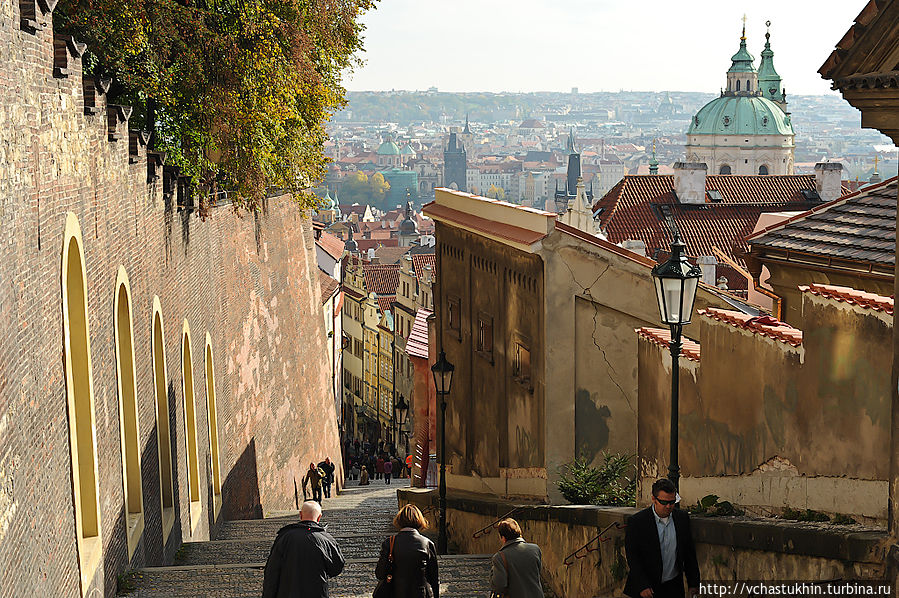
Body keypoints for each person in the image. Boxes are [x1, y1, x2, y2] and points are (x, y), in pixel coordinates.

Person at [624, 478, 700, 598]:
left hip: (673, 586)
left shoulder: (681, 518)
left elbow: (689, 552)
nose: (669, 506)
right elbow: (633, 556)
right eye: (664, 502)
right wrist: (642, 585)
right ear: (654, 499)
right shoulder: (638, 522)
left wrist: (693, 582)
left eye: (672, 502)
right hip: (647, 588)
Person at [262, 500, 345, 598]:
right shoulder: (326, 539)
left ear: (300, 515)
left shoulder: (284, 537)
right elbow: (336, 567)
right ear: (319, 517)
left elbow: (272, 571)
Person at [376, 504, 438, 598]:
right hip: (421, 594)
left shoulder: (389, 543)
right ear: (420, 520)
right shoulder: (427, 544)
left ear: (399, 520)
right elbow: (434, 578)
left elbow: (380, 573)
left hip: (395, 593)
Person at [490, 518, 544, 598]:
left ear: (503, 538)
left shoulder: (500, 557)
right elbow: (537, 573)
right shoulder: (535, 549)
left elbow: (499, 585)